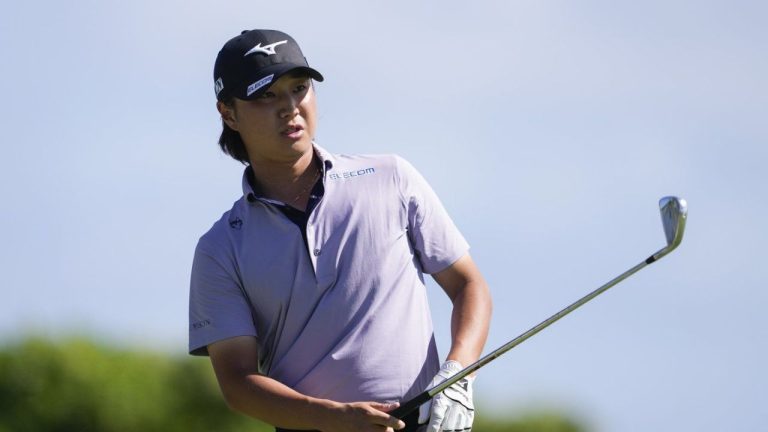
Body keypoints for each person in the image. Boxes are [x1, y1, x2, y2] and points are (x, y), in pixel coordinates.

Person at [188, 29, 492, 432]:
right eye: (266, 95)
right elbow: (238, 382)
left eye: (299, 88)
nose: (291, 108)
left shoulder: (391, 178)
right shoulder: (220, 247)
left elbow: (469, 287)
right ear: (228, 112)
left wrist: (459, 375)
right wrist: (334, 418)